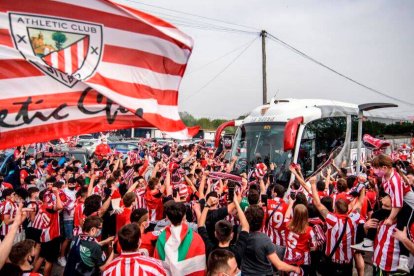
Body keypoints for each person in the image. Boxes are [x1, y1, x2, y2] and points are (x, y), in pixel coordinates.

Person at [310, 176, 364, 275]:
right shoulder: (353, 219)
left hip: (332, 263)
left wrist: (313, 184)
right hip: (347, 264)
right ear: (347, 210)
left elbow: (318, 204)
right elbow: (360, 203)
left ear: (335, 209)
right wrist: (363, 187)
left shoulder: (332, 219)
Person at [241, 205, 302, 275]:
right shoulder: (264, 240)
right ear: (262, 221)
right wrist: (295, 268)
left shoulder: (242, 234)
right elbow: (279, 265)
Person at [154, 201, 206, 275]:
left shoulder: (161, 238)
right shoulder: (196, 238)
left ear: (168, 217)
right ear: (184, 216)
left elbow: (157, 264)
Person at [283, 204, 317, 275]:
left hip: (289, 257)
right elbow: (313, 248)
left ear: (294, 215)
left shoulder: (287, 224)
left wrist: (291, 203)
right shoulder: (309, 230)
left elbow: (286, 216)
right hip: (303, 260)